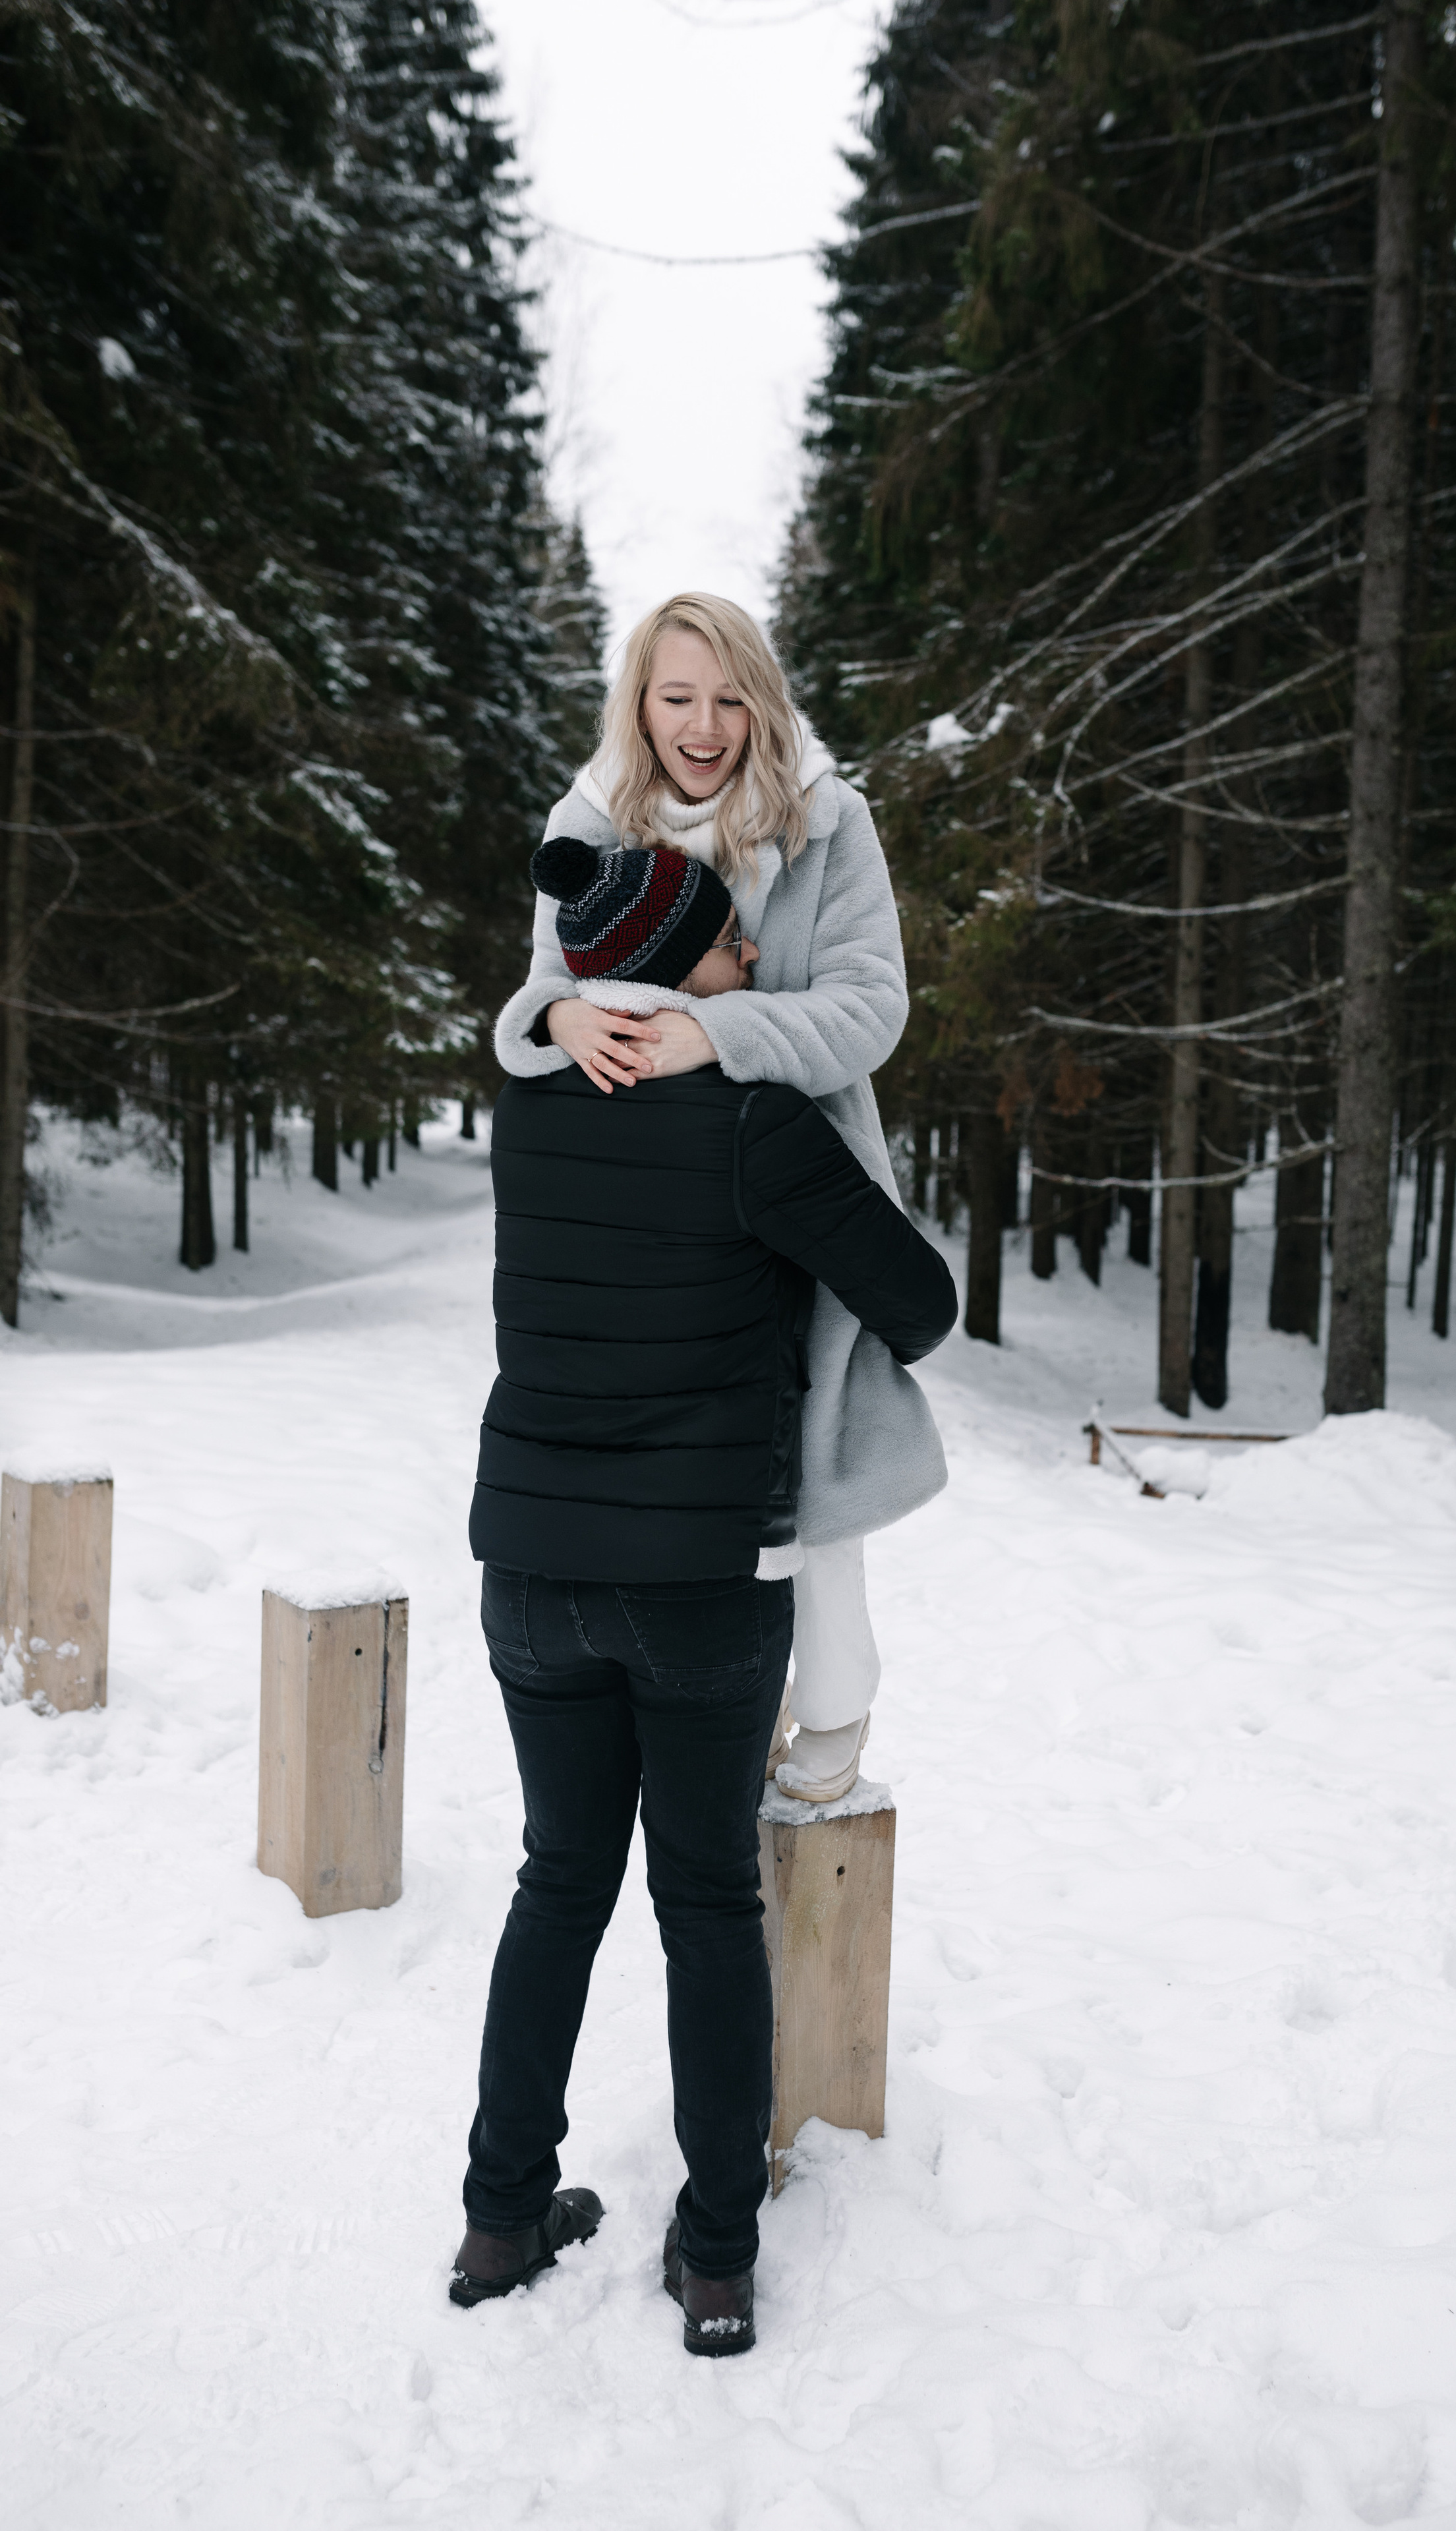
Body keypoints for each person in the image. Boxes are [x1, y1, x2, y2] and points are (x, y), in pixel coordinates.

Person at [454, 839, 956, 2355]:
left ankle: (497, 2217)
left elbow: (545, 1038)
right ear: (678, 970)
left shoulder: (525, 1110)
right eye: (732, 951)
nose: (752, 968)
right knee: (706, 1905)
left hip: (531, 1573)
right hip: (698, 1585)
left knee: (555, 1886)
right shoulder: (759, 1126)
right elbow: (921, 1305)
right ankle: (718, 2257)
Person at [494, 593, 935, 1806]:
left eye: (731, 697)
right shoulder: (588, 820)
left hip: (797, 1168)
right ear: (639, 703)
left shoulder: (828, 825)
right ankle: (707, 1712)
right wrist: (563, 1012)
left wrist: (714, 1033)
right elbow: (539, 996)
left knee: (814, 1437)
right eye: (678, 697)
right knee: (687, 1462)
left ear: (765, 700)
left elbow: (869, 1007)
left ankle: (836, 1701)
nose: (705, 724)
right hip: (647, 1207)